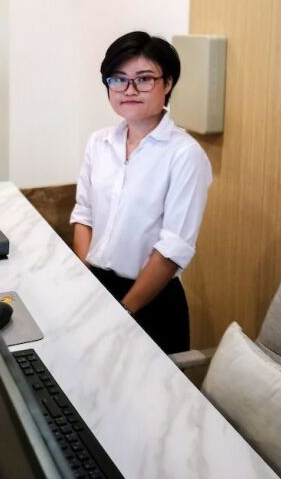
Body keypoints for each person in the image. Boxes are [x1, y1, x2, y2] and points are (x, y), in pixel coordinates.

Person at [70, 31, 212, 354]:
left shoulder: (185, 154)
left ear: (168, 83)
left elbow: (172, 249)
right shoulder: (99, 143)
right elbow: (84, 214)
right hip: (94, 287)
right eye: (118, 79)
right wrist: (86, 283)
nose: (129, 90)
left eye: (144, 79)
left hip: (150, 302)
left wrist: (122, 311)